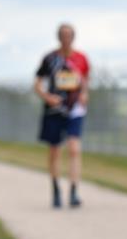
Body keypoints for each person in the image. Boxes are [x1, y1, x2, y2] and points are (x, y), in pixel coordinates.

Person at [33, 23, 90, 208]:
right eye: (63, 35)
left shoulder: (81, 58)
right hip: (55, 109)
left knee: (74, 148)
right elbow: (37, 84)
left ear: (74, 37)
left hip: (74, 109)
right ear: (58, 37)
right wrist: (47, 97)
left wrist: (83, 93)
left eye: (69, 35)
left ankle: (74, 191)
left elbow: (85, 80)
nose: (66, 38)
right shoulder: (50, 58)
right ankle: (56, 189)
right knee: (55, 151)